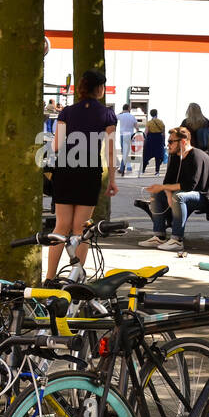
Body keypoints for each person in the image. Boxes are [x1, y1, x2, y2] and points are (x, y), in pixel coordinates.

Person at [49, 69, 118, 281]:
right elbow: (110, 151)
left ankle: (49, 278)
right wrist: (112, 180)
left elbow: (56, 146)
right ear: (100, 89)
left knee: (61, 226)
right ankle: (74, 277)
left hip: (66, 169)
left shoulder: (67, 112)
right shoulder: (107, 115)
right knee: (81, 229)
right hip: (89, 172)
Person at [140, 126, 209, 251]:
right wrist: (168, 195)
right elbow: (168, 181)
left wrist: (166, 190)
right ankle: (159, 236)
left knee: (178, 197)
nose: (168, 145)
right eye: (168, 141)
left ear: (183, 142)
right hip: (185, 193)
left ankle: (177, 240)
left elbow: (190, 185)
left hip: (205, 197)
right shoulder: (175, 156)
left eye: (171, 141)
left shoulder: (196, 156)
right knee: (157, 194)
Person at [142, 109, 167, 175]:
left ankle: (143, 170)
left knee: (147, 155)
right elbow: (164, 133)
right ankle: (157, 171)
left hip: (150, 139)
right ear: (157, 113)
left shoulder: (149, 123)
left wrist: (144, 141)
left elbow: (146, 133)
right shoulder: (161, 122)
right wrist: (163, 141)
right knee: (158, 156)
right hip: (159, 139)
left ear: (150, 114)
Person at [116, 103, 138, 176]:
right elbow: (136, 127)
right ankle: (127, 167)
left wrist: (121, 112)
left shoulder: (120, 116)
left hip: (123, 135)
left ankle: (123, 168)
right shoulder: (132, 116)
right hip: (131, 135)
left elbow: (114, 117)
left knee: (124, 152)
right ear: (128, 108)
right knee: (128, 152)